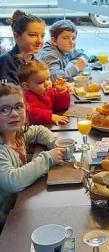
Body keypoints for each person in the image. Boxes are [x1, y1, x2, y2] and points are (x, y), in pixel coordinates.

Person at [0, 83, 67, 216]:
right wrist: (48, 159)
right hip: (6, 219)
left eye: (18, 107)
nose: (14, 113)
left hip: (20, 206)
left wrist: (55, 142)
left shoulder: (18, 134)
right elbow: (12, 181)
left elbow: (38, 130)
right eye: (4, 109)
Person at [18, 59, 70, 126]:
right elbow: (31, 113)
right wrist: (50, 116)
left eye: (48, 78)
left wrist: (62, 91)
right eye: (40, 82)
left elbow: (62, 107)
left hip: (46, 127)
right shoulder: (26, 97)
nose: (47, 83)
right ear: (26, 86)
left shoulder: (49, 91)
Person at [0, 10, 45, 85]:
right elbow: (9, 94)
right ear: (17, 37)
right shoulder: (6, 61)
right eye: (33, 35)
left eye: (42, 36)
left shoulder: (35, 62)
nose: (39, 41)